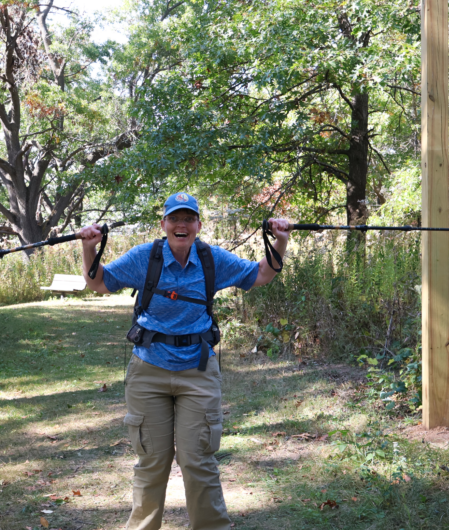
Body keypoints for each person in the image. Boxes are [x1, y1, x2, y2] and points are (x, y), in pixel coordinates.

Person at [78, 193, 291, 530]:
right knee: (152, 461)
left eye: (188, 219)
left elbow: (262, 274)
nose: (181, 225)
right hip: (148, 369)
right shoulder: (144, 258)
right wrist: (90, 246)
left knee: (198, 460)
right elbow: (97, 282)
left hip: (198, 370)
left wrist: (280, 239)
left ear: (198, 225)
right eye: (174, 219)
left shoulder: (212, 259)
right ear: (163, 225)